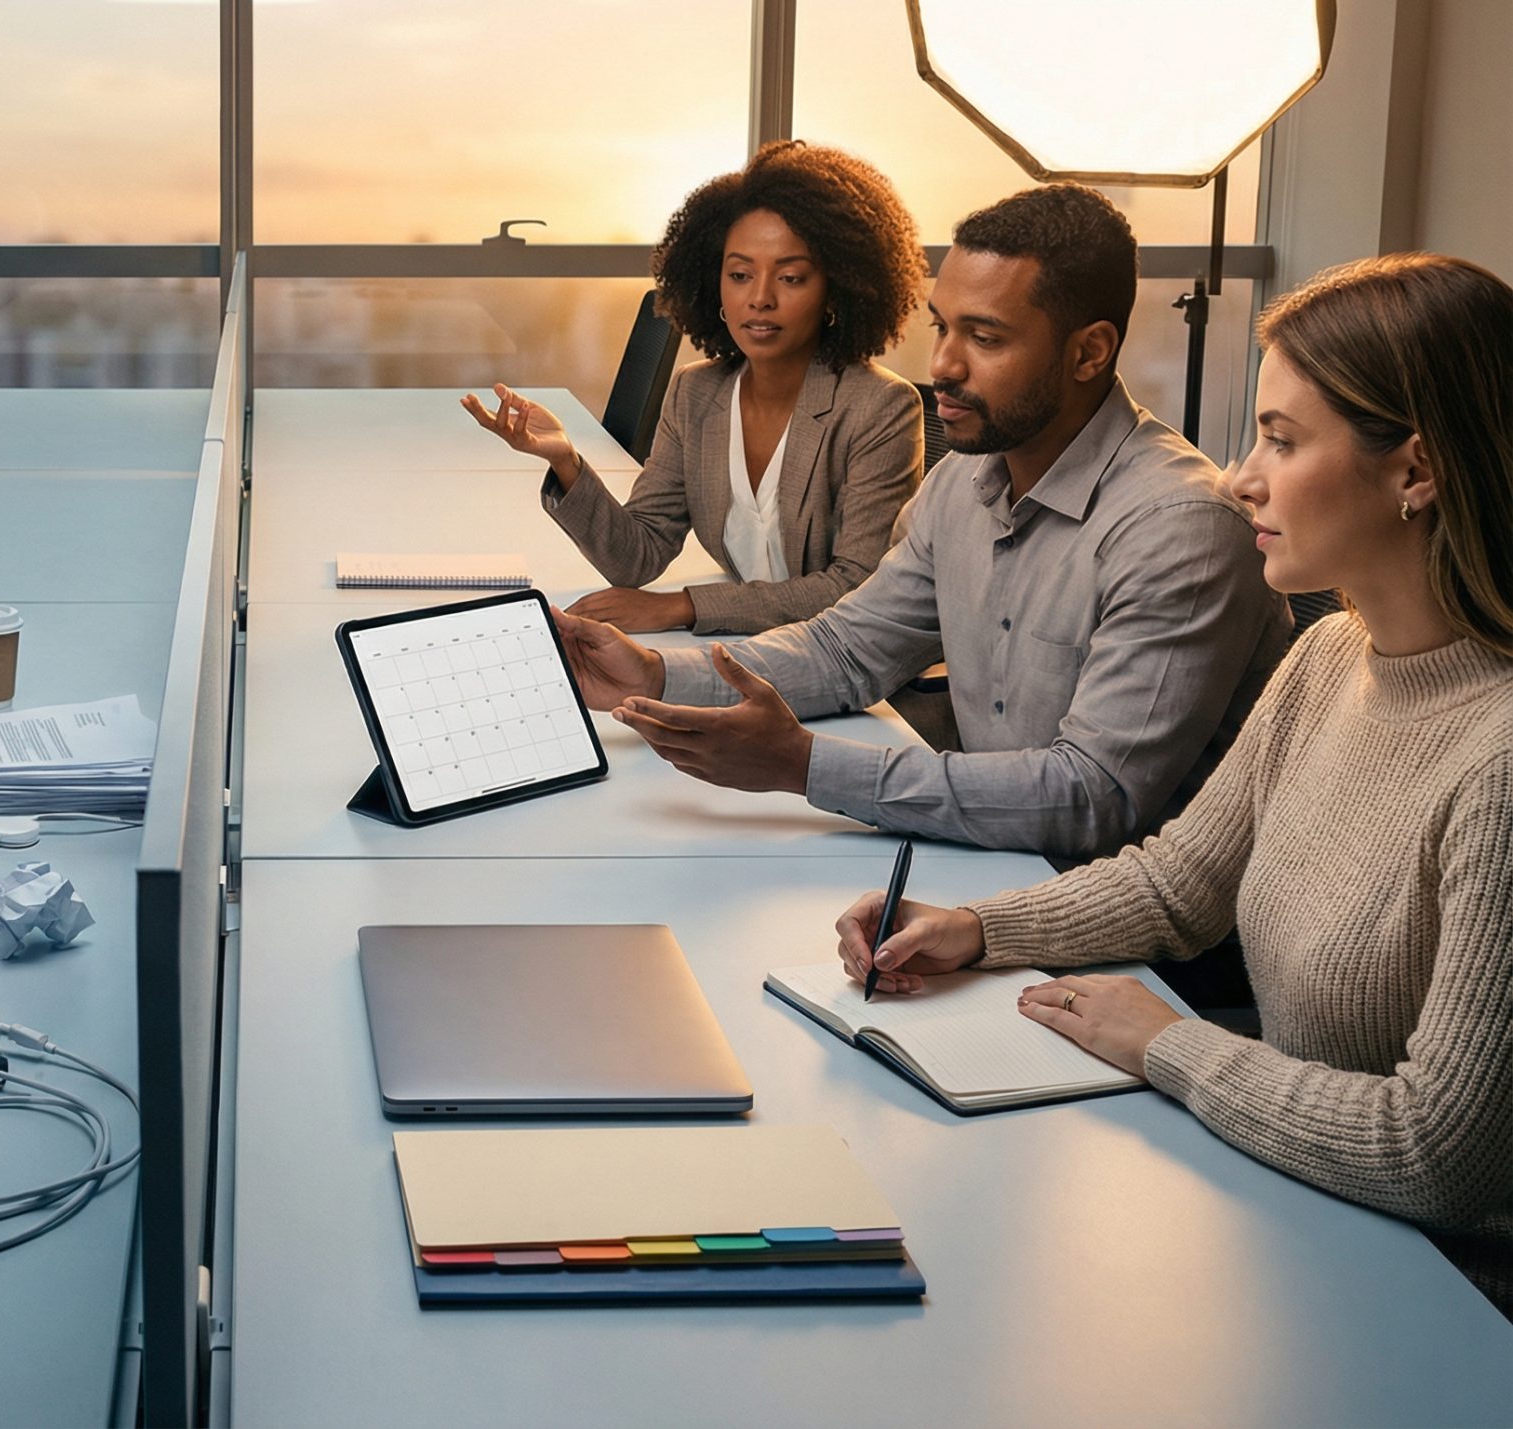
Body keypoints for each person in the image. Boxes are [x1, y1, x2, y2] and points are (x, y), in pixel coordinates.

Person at [834, 253, 1513, 1312]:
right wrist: (975, 927)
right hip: (1298, 1222)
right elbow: (1177, 883)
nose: (1242, 477)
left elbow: (1434, 1153)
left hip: (1437, 1303)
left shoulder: (1498, 763)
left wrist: (1166, 1044)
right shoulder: (1331, 652)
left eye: (1282, 442)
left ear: (1413, 472)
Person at [554, 184, 1289, 860]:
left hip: (1117, 932)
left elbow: (1092, 798)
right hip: (977, 867)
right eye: (942, 328)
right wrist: (652, 673)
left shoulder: (1180, 531)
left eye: (986, 338)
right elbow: (847, 649)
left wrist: (804, 766)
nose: (942, 364)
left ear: (1089, 351)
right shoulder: (963, 481)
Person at [462, 140, 928, 634]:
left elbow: (854, 587)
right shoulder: (696, 393)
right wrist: (564, 460)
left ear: (837, 289)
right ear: (714, 285)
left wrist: (684, 606)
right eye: (740, 275)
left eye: (791, 278)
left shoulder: (881, 407)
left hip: (840, 663)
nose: (760, 298)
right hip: (737, 649)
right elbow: (637, 556)